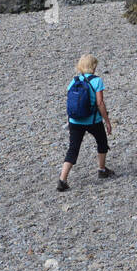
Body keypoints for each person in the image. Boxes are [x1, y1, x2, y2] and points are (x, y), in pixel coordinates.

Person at [57, 54, 114, 191]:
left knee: (73, 149)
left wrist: (69, 120)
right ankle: (101, 170)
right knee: (102, 142)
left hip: (75, 121)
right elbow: (100, 103)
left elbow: (71, 101)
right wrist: (107, 121)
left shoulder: (74, 81)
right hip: (92, 120)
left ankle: (62, 179)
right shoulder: (97, 81)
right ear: (93, 65)